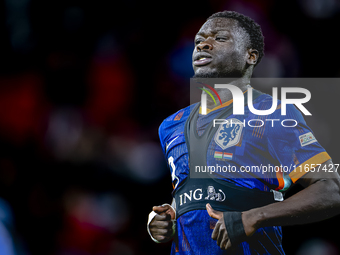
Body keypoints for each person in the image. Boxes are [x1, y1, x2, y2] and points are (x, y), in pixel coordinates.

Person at [147, 10, 340, 254]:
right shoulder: (171, 125)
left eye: (220, 38)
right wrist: (167, 219)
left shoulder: (272, 113)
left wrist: (254, 217)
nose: (204, 44)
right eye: (199, 40)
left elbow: (332, 189)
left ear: (250, 56)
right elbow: (195, 191)